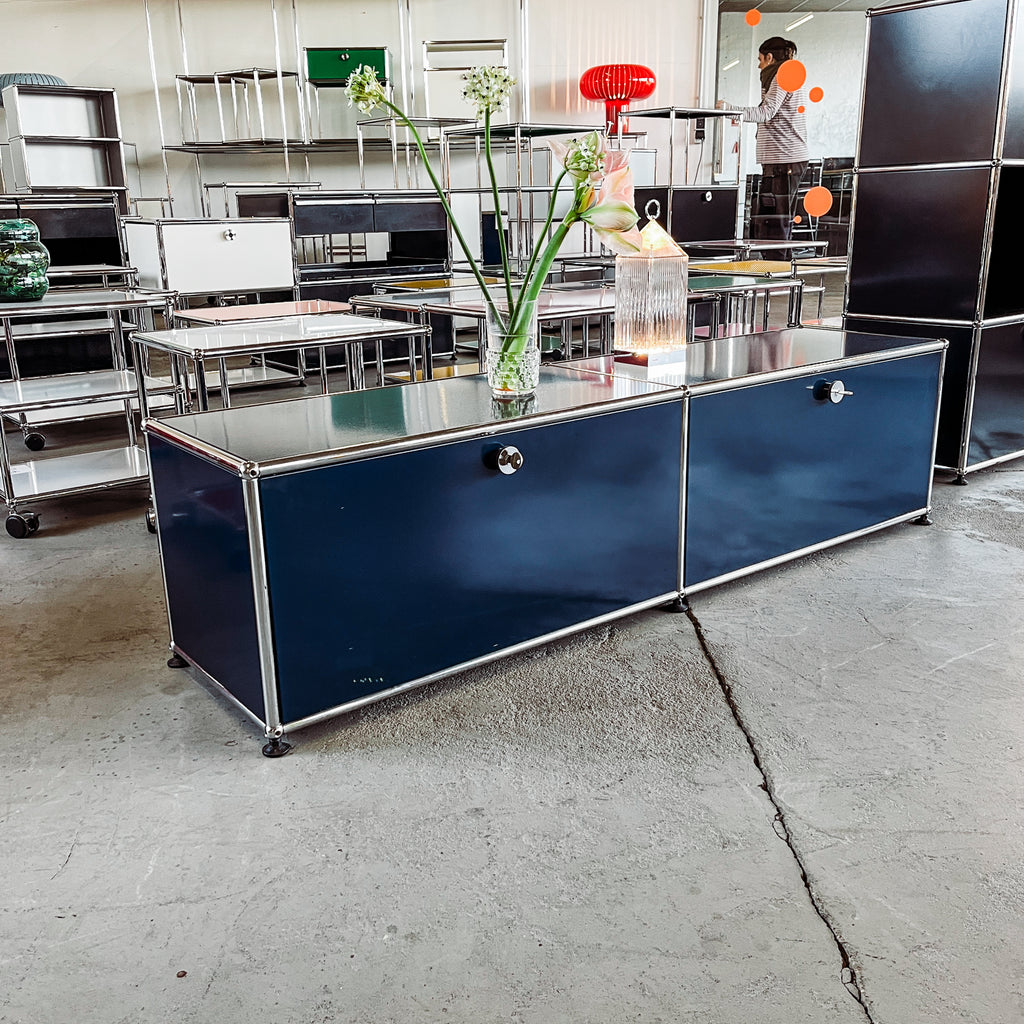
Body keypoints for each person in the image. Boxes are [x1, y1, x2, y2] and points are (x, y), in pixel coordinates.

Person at [718, 36, 809, 240]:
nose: (759, 66)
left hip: (784, 160)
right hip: (780, 160)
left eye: (760, 60)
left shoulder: (783, 77)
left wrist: (730, 110)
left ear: (769, 57)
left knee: (776, 220)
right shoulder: (781, 77)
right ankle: (774, 258)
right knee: (771, 219)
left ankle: (777, 259)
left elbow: (766, 112)